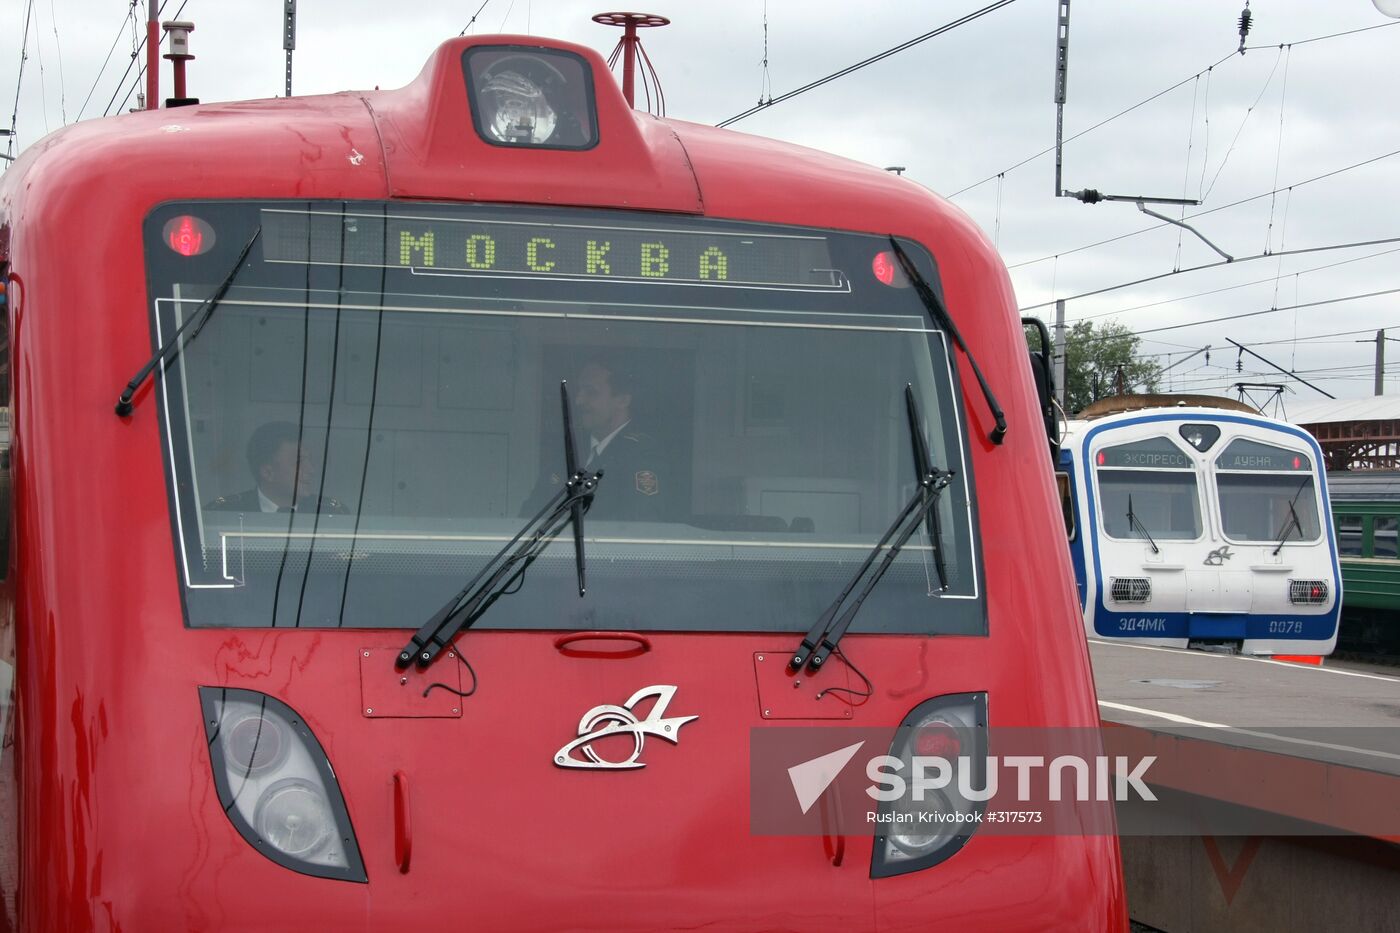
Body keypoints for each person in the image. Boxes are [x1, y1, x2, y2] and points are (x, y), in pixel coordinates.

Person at [524, 358, 676, 522]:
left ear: (623, 400)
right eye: (579, 391)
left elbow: (641, 520)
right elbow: (530, 512)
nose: (578, 400)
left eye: (591, 392)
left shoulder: (644, 454)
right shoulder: (570, 449)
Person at [207, 421, 347, 514]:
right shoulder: (224, 512)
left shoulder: (330, 513)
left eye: (309, 460)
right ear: (267, 472)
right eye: (299, 461)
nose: (311, 470)